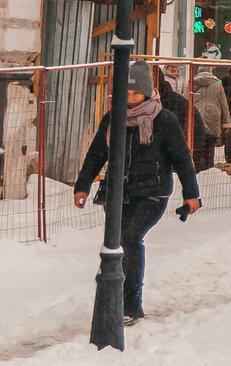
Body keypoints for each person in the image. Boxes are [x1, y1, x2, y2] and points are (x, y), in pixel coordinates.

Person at [73, 81, 202, 324]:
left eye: (136, 93)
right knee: (115, 243)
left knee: (129, 238)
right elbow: (97, 153)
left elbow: (182, 158)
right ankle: (111, 301)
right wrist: (82, 185)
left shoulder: (164, 120)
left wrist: (191, 193)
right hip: (118, 193)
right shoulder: (113, 118)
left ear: (147, 92)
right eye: (127, 92)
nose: (131, 98)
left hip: (152, 193)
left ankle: (130, 305)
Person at [185, 62, 230, 173]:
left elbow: (185, 101)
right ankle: (208, 169)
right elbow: (223, 104)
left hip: (196, 118)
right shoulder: (217, 84)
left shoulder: (192, 83)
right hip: (213, 118)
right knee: (209, 146)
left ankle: (197, 168)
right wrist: (226, 123)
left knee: (197, 146)